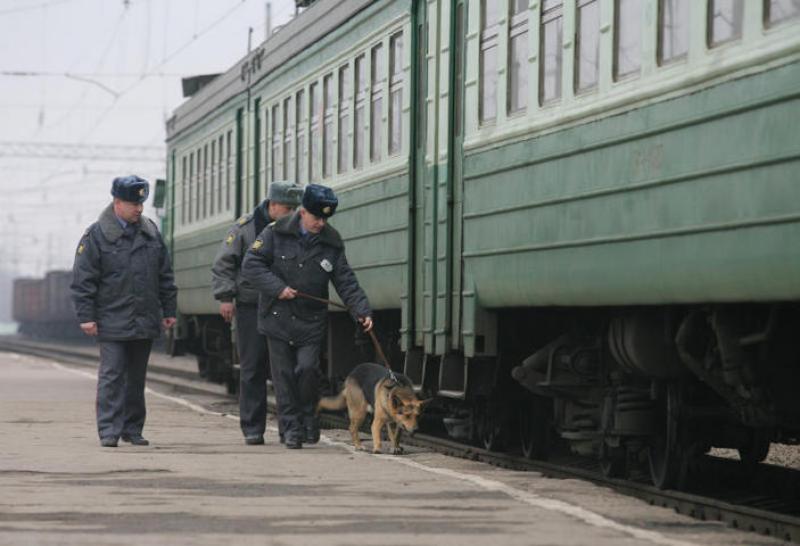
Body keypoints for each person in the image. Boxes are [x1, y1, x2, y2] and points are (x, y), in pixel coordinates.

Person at [241, 183, 373, 449]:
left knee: (307, 370)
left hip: (310, 321)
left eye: (325, 218)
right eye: (316, 217)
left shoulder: (331, 242)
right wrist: (278, 289)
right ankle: (291, 429)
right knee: (284, 376)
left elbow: (345, 279)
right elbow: (251, 265)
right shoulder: (273, 232)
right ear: (302, 212)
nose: (320, 223)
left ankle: (308, 418)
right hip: (276, 317)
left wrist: (361, 310)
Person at [71, 175, 177, 448]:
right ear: (117, 203)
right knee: (113, 375)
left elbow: (165, 276)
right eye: (133, 204)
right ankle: (109, 430)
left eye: (141, 203)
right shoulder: (96, 235)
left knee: (136, 378)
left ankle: (132, 429)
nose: (139, 209)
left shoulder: (150, 232)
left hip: (144, 318)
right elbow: (84, 280)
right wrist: (86, 316)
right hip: (112, 318)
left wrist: (169, 309)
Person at [211, 181, 303, 445]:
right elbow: (224, 263)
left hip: (285, 305)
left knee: (284, 369)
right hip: (251, 305)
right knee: (252, 367)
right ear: (273, 206)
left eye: (296, 208)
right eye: (288, 208)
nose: (293, 213)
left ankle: (290, 429)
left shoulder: (295, 227)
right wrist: (226, 297)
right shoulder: (245, 227)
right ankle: (253, 428)